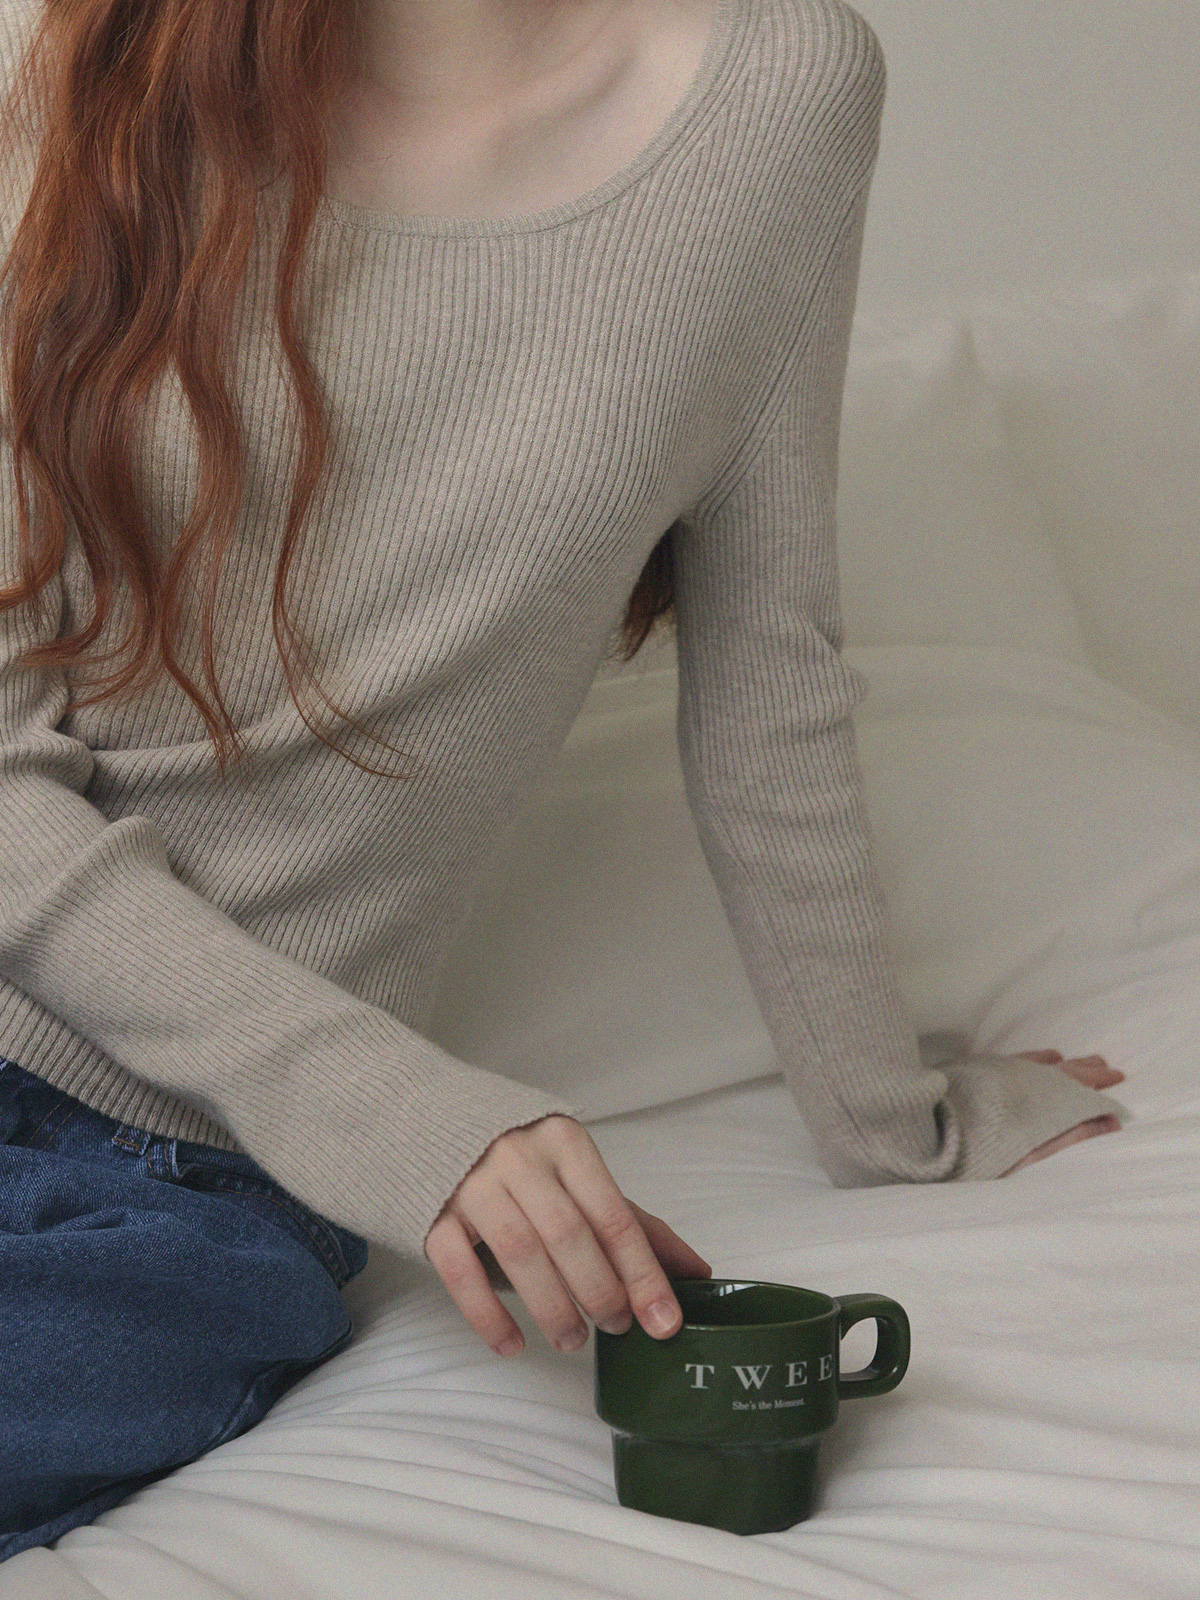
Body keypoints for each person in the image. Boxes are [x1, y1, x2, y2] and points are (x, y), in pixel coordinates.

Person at [0, 0, 1126, 1558]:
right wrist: (414, 1114)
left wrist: (896, 1122)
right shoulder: (109, 60)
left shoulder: (778, 98)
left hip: (186, 1183)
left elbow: (771, 672)